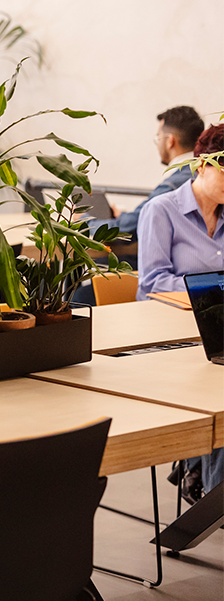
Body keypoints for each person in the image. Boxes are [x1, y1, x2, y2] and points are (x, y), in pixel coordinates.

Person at [138, 123, 224, 497]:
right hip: (170, 335)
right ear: (202, 164)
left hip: (216, 332)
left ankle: (201, 473)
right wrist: (209, 291)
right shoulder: (163, 210)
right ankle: (208, 483)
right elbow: (152, 284)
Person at [91, 106, 204, 242]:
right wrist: (124, 217)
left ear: (170, 141)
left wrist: (86, 223)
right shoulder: (203, 173)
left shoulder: (177, 183)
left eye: (158, 138)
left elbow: (131, 229)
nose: (157, 145)